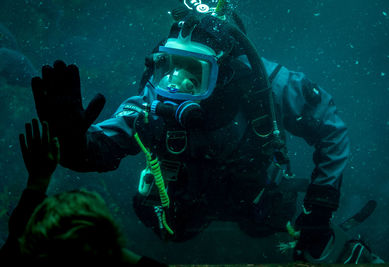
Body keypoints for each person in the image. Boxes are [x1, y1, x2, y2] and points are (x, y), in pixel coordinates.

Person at [29, 1, 350, 263]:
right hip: (184, 204)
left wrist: (320, 207)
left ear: (222, 70)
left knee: (264, 226)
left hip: (257, 197)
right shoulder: (150, 102)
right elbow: (96, 150)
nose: (176, 81)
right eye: (169, 65)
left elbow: (331, 130)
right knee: (172, 228)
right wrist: (72, 142)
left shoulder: (267, 87)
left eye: (194, 70)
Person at [0, 119, 168, 266]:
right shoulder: (109, 252)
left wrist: (38, 181)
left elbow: (16, 245)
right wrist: (108, 249)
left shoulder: (29, 249)